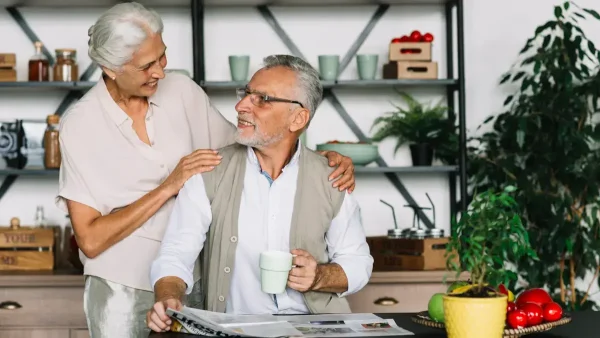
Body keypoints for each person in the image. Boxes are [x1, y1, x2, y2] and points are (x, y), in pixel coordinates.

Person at [55, 3, 356, 337]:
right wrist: (168, 186)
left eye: (163, 56)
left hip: (192, 280)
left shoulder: (182, 92)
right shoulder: (80, 125)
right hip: (121, 286)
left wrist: (319, 158)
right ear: (109, 68)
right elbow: (91, 240)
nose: (161, 71)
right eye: (147, 65)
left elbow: (256, 143)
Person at [147, 54, 374, 333]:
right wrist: (168, 295)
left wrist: (319, 277)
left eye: (262, 99)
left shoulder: (331, 176)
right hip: (237, 329)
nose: (240, 105)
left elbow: (358, 262)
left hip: (315, 329)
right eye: (246, 93)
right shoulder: (208, 171)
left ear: (298, 118)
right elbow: (176, 253)